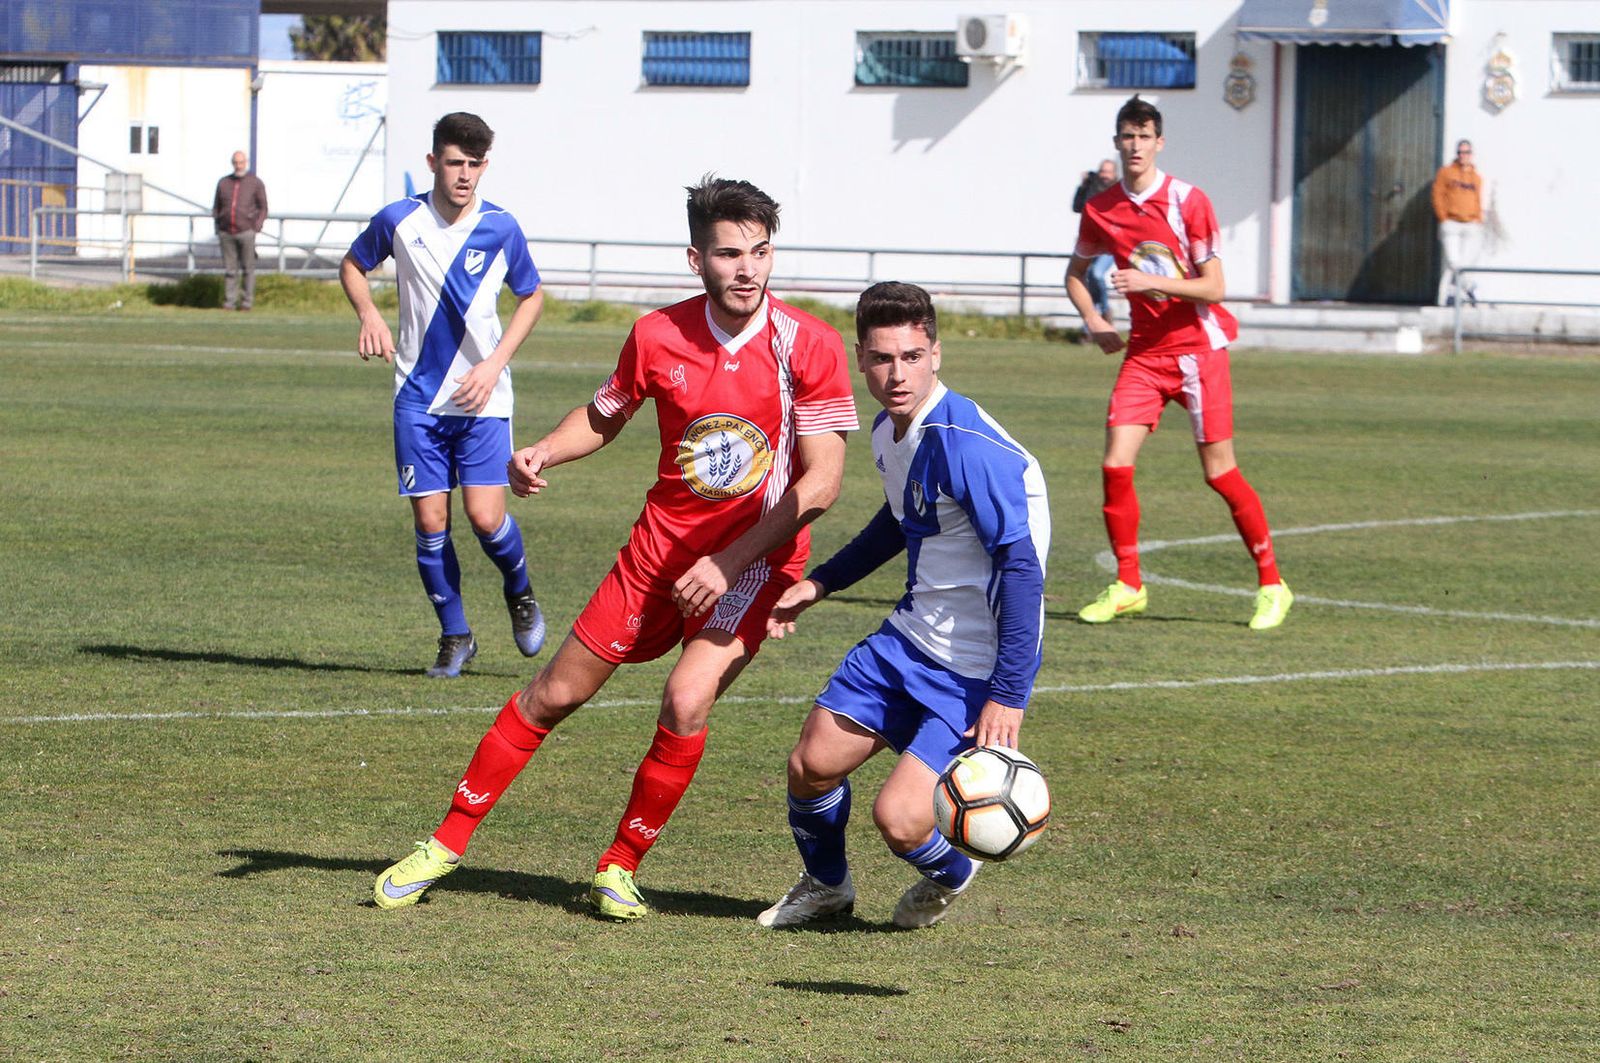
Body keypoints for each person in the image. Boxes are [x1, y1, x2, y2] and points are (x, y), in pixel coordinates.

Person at [372, 176, 860, 918]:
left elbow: (822, 484)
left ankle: (619, 865)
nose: (748, 269)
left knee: (686, 698)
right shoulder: (657, 334)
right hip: (658, 554)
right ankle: (444, 841)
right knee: (554, 693)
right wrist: (544, 449)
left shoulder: (809, 344)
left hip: (753, 564)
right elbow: (605, 415)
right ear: (696, 258)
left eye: (760, 252)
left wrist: (729, 561)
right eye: (730, 253)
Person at [755, 281, 1049, 930]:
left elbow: (1022, 570)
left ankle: (954, 868)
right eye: (883, 358)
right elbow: (901, 521)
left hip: (973, 666)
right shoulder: (892, 431)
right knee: (810, 764)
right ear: (861, 358)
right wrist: (821, 582)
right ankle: (827, 885)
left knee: (901, 819)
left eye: (912, 356)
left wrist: (1009, 693)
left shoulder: (966, 445)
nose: (897, 373)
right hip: (907, 639)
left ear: (936, 354)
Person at [1064, 96, 1291, 631]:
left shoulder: (1188, 201)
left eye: (1145, 136)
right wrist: (1095, 319)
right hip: (1144, 354)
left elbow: (1215, 287)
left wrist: (1150, 282)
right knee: (1115, 464)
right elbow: (1075, 274)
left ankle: (1272, 584)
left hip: (1198, 349)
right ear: (1117, 142)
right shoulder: (1102, 208)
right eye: (1128, 136)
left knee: (1219, 473)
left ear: (1159, 142)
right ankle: (1128, 584)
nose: (1136, 145)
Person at [339, 112, 548, 678]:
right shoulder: (399, 220)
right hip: (416, 396)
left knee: (485, 519)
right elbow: (353, 265)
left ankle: (520, 592)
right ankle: (455, 635)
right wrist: (369, 315)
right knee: (432, 524)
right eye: (455, 162)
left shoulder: (501, 227)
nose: (465, 175)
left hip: (483, 400)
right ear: (433, 162)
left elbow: (531, 297)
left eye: (475, 165)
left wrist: (494, 364)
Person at [212, 151, 268, 311]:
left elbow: (263, 207)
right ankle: (229, 302)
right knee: (230, 269)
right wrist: (218, 226)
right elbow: (216, 206)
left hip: (246, 232)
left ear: (246, 162)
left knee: (248, 269)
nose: (239, 165)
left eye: (241, 162)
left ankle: (246, 302)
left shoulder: (255, 183)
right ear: (232, 163)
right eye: (236, 162)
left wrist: (256, 227)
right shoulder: (223, 183)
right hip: (226, 231)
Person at [1433, 139, 1484, 307]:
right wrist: (1443, 217)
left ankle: (1446, 300)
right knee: (1453, 262)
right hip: (1452, 223)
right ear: (1457, 154)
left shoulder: (1476, 177)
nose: (1464, 156)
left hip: (1470, 224)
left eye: (1467, 152)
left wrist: (1478, 218)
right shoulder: (1446, 173)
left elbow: (1478, 198)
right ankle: (1469, 288)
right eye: (1461, 152)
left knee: (1461, 265)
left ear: (1471, 154)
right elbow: (1437, 195)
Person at [1071, 158, 1120, 323]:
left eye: (1108, 172)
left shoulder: (1119, 190)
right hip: (1091, 241)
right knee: (1087, 280)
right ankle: (1090, 325)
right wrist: (1084, 186)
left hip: (1110, 244)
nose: (1105, 175)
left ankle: (1105, 309)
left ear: (1114, 174)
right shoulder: (1091, 187)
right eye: (1103, 171)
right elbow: (1077, 207)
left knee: (1096, 274)